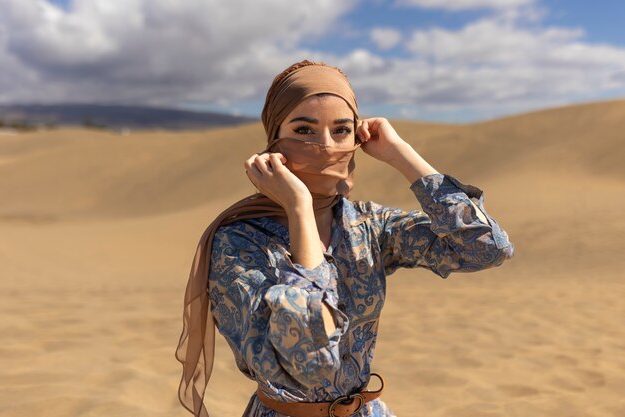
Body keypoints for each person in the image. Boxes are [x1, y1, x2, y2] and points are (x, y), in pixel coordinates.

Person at [175, 60, 515, 417]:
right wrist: (299, 208)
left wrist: (401, 154)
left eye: (341, 131)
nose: (325, 146)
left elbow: (486, 248)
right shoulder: (239, 241)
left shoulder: (368, 225)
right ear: (274, 139)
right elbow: (309, 361)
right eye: (304, 130)